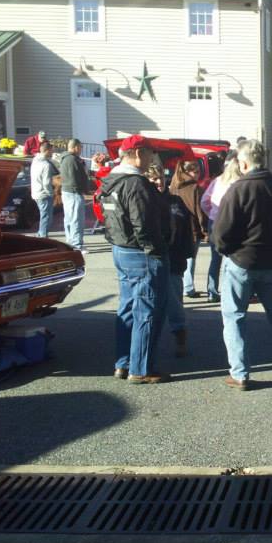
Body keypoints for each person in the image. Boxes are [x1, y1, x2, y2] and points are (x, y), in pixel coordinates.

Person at [213, 140, 272, 391]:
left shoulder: (238, 190)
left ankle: (240, 374)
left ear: (243, 163)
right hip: (271, 262)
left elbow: (221, 233)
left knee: (234, 316)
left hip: (241, 262)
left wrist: (228, 251)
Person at [98, 134, 169, 384]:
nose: (152, 157)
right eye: (150, 152)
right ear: (138, 153)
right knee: (147, 309)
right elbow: (144, 224)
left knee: (128, 307)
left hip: (121, 248)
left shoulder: (110, 181)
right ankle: (141, 368)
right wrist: (157, 250)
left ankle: (123, 362)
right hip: (141, 253)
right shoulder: (136, 184)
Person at [147, 163, 194, 358]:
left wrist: (186, 254)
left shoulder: (176, 201)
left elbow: (187, 232)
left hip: (174, 261)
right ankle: (147, 345)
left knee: (175, 305)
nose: (159, 181)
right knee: (149, 305)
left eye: (161, 177)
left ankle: (180, 339)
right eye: (153, 178)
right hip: (150, 260)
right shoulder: (144, 201)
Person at [201, 156, 244, 303]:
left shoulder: (217, 181)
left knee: (215, 259)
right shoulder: (239, 183)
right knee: (230, 258)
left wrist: (211, 213)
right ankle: (228, 291)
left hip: (214, 221)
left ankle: (212, 291)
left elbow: (204, 201)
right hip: (232, 223)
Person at [170, 160, 209, 298]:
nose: (198, 175)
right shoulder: (194, 188)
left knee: (179, 257)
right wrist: (205, 230)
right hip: (192, 227)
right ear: (187, 172)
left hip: (175, 225)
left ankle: (184, 286)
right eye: (195, 172)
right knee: (190, 258)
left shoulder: (174, 185)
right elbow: (200, 211)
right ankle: (188, 287)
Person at [59, 138, 91, 252]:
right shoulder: (73, 160)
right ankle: (77, 245)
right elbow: (76, 178)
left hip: (67, 191)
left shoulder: (64, 158)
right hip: (73, 192)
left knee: (69, 218)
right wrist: (85, 190)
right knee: (76, 219)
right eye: (80, 147)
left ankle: (70, 241)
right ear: (75, 147)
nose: (81, 149)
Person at [30, 141, 58, 238]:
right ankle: (43, 235)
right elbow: (46, 182)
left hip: (35, 192)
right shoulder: (46, 165)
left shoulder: (35, 160)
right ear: (47, 151)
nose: (52, 153)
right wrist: (51, 193)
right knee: (46, 216)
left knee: (43, 215)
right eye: (51, 151)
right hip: (44, 193)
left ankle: (40, 233)